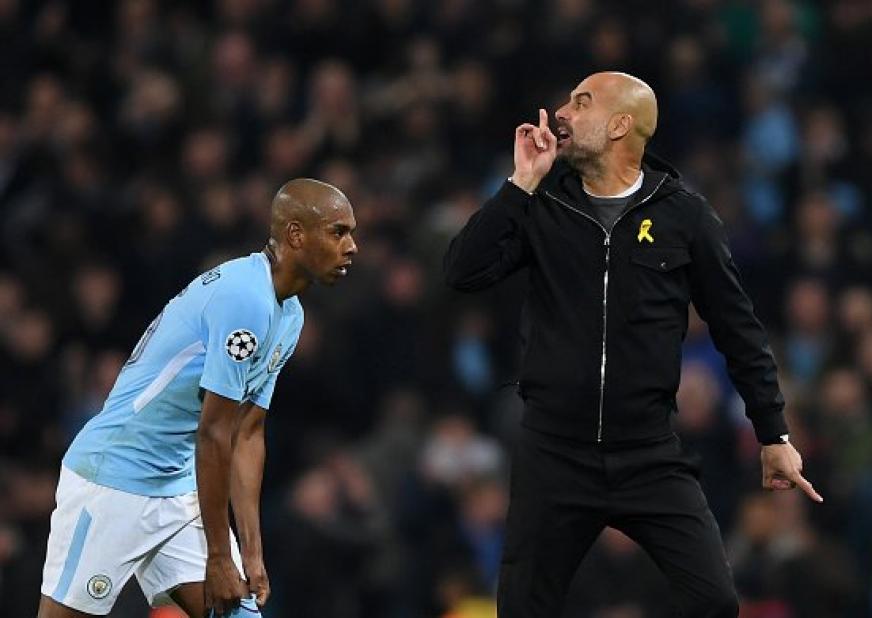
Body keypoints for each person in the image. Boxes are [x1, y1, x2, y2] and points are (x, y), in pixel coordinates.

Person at [444, 72, 822, 617]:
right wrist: (520, 184)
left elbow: (739, 329)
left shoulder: (684, 216)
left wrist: (774, 432)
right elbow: (461, 272)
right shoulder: (543, 205)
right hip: (554, 452)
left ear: (621, 125)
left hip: (647, 452)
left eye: (582, 103)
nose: (563, 114)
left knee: (716, 602)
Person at [38, 179, 358, 617]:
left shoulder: (290, 314)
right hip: (113, 479)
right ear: (297, 234)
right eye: (338, 232)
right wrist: (219, 557)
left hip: (177, 485)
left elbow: (248, 433)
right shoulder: (245, 299)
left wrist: (251, 551)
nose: (352, 246)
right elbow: (214, 431)